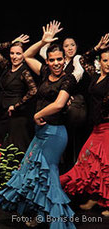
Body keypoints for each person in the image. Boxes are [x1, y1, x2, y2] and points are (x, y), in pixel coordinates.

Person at [0, 22, 77, 229]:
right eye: (52, 60)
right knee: (31, 172)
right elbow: (27, 56)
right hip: (40, 132)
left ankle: (59, 220)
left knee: (48, 173)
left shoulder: (68, 80)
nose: (57, 63)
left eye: (60, 59)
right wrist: (42, 41)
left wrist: (37, 114)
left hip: (55, 133)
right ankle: (39, 214)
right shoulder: (43, 73)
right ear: (47, 61)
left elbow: (59, 105)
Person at [0, 34, 37, 201]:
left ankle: (15, 191)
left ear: (24, 55)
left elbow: (33, 91)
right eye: (12, 53)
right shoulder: (6, 67)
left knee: (13, 151)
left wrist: (16, 105)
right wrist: (12, 42)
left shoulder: (24, 71)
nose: (15, 57)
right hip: (4, 113)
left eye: (18, 53)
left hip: (17, 116)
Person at [60, 33, 109, 217]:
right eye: (105, 60)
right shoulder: (95, 74)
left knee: (105, 165)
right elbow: (84, 58)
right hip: (96, 127)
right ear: (100, 61)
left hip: (107, 127)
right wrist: (97, 48)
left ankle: (107, 203)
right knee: (88, 161)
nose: (108, 63)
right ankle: (95, 196)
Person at [39, 27, 89, 172]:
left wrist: (66, 91)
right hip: (59, 109)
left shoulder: (77, 60)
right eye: (66, 45)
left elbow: (78, 75)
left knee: (73, 140)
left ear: (76, 47)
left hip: (74, 105)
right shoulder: (57, 61)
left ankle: (73, 170)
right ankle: (61, 170)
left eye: (72, 45)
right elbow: (44, 53)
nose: (70, 48)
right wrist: (48, 39)